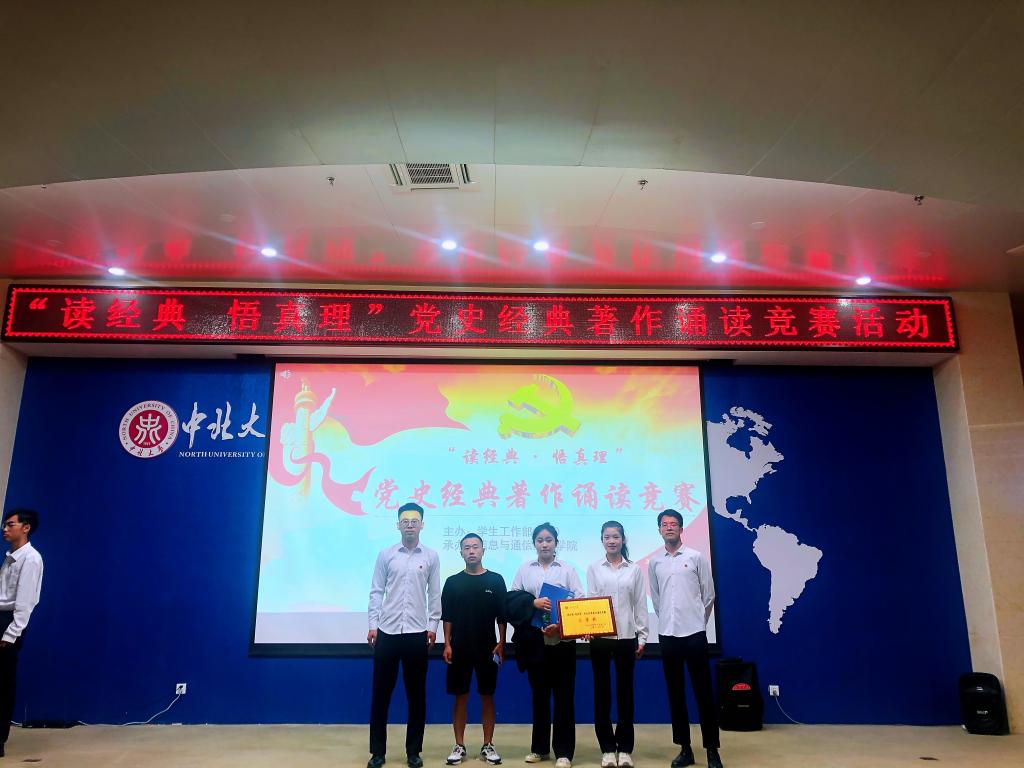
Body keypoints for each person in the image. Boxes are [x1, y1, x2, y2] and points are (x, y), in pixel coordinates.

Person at [367, 502, 441, 768]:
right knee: (381, 695)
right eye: (405, 521)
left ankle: (413, 752)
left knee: (416, 696)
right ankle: (377, 752)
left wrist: (433, 627)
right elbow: (377, 591)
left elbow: (434, 594)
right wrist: (373, 624)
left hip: (417, 633)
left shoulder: (431, 556)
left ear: (422, 525)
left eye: (414, 521)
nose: (410, 525)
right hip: (387, 631)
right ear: (398, 525)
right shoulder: (386, 555)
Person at [648, 509, 723, 768]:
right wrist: (668, 620)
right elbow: (656, 598)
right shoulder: (655, 563)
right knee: (676, 694)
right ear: (659, 530)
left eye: (673, 524)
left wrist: (697, 622)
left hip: (694, 634)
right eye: (664, 524)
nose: (669, 527)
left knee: (703, 693)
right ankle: (685, 749)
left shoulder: (696, 557)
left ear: (681, 529)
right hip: (668, 635)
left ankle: (712, 750)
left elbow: (709, 595)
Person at [510, 522, 583, 768]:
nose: (544, 544)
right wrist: (533, 603)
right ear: (534, 543)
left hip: (562, 642)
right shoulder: (524, 569)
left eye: (549, 540)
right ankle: (539, 749)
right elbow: (514, 599)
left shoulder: (567, 570)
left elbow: (579, 601)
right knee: (539, 697)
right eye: (540, 540)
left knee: (564, 697)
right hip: (535, 643)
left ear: (556, 543)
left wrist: (560, 626)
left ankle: (564, 752)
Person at [586, 521, 648, 768]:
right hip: (600, 638)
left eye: (616, 536)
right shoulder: (594, 568)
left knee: (625, 694)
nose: (611, 541)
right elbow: (591, 602)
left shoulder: (633, 569)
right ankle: (607, 749)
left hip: (626, 637)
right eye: (607, 537)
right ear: (602, 540)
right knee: (602, 694)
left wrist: (642, 637)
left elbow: (640, 605)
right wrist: (588, 629)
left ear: (623, 539)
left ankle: (625, 749)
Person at [441, 533, 507, 766]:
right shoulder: (452, 582)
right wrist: (447, 643)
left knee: (487, 696)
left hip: (487, 648)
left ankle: (488, 745)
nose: (471, 551)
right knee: (461, 696)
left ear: (483, 551)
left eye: (475, 547)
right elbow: (447, 617)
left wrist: (502, 642)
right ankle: (459, 746)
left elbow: (502, 616)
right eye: (467, 548)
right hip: (459, 647)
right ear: (461, 553)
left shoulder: (496, 580)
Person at [0, 509, 43, 759]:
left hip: (8, 624)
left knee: (3, 684)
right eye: (4, 525)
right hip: (1, 618)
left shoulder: (31, 559)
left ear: (25, 528)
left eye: (10, 524)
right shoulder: (10, 558)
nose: (5, 529)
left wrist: (11, 634)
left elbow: (26, 602)